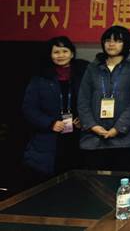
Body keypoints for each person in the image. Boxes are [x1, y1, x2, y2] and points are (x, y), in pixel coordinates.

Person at [77, 26, 130, 171]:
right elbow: (83, 100)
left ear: (126, 44)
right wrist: (92, 126)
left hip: (124, 139)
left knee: (121, 180)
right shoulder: (93, 67)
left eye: (117, 41)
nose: (111, 44)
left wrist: (117, 129)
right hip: (93, 138)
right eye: (108, 40)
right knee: (93, 181)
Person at [22, 36, 89, 183]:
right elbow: (29, 108)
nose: (61, 55)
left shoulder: (84, 74)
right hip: (50, 137)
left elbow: (91, 102)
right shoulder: (40, 77)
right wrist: (50, 123)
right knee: (50, 182)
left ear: (72, 54)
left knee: (77, 181)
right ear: (50, 55)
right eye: (56, 52)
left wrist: (84, 119)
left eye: (65, 51)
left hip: (78, 135)